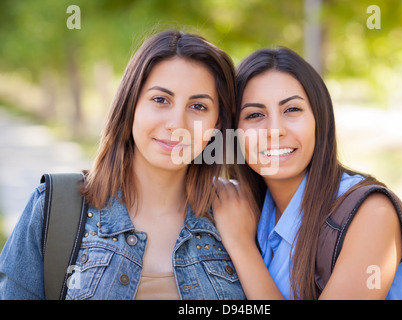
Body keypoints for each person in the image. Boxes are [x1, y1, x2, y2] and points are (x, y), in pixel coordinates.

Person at [0, 30, 246, 300]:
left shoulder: (238, 214)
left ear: (217, 124)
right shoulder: (53, 209)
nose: (177, 124)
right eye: (160, 100)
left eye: (198, 106)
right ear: (131, 105)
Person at [212, 47, 402, 300]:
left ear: (319, 119)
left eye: (292, 110)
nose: (274, 130)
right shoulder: (245, 208)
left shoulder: (371, 213)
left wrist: (241, 246)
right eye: (255, 115)